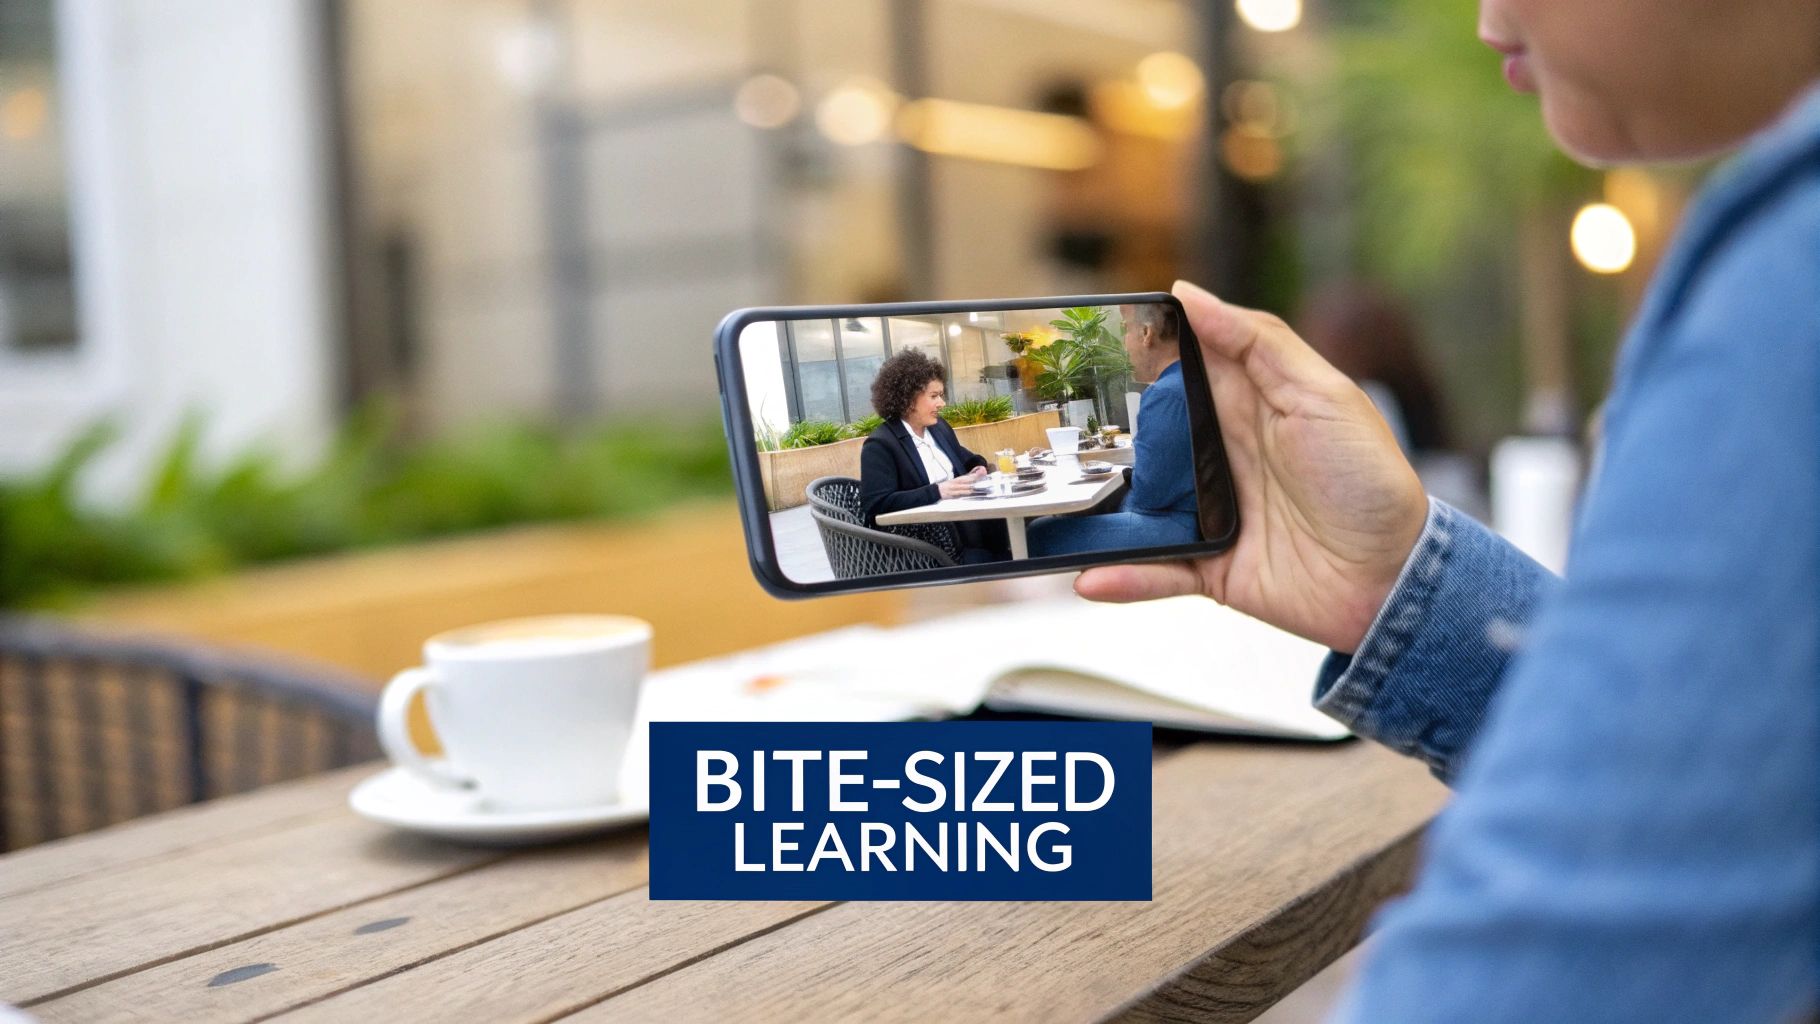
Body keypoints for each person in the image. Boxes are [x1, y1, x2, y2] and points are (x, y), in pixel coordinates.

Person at [1076, 1, 1820, 1019]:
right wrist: (1401, 588)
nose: (1484, 18)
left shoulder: (1790, 282)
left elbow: (1533, 973)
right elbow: (1749, 779)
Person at [1026, 303, 1199, 556]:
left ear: (1146, 333)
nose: (1124, 343)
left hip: (1173, 526)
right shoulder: (1186, 380)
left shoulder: (1165, 394)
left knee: (1039, 533)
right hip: (1179, 517)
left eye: (1125, 329)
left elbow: (1150, 495)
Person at [858, 350, 1010, 564]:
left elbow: (964, 457)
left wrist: (978, 466)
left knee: (1021, 530)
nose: (942, 403)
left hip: (968, 527)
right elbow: (876, 504)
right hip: (928, 547)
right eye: (934, 396)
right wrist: (938, 491)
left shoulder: (938, 429)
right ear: (908, 398)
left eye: (941, 395)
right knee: (1005, 548)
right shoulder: (881, 444)